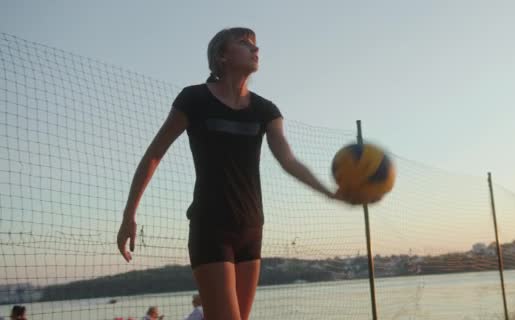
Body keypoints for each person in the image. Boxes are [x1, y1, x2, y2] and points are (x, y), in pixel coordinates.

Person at [117, 27, 366, 320]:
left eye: (256, 44)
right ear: (222, 56)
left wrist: (330, 193)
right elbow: (154, 155)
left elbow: (287, 159)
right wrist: (128, 215)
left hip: (251, 228)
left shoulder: (265, 110)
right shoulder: (193, 99)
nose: (255, 49)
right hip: (211, 227)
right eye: (245, 43)